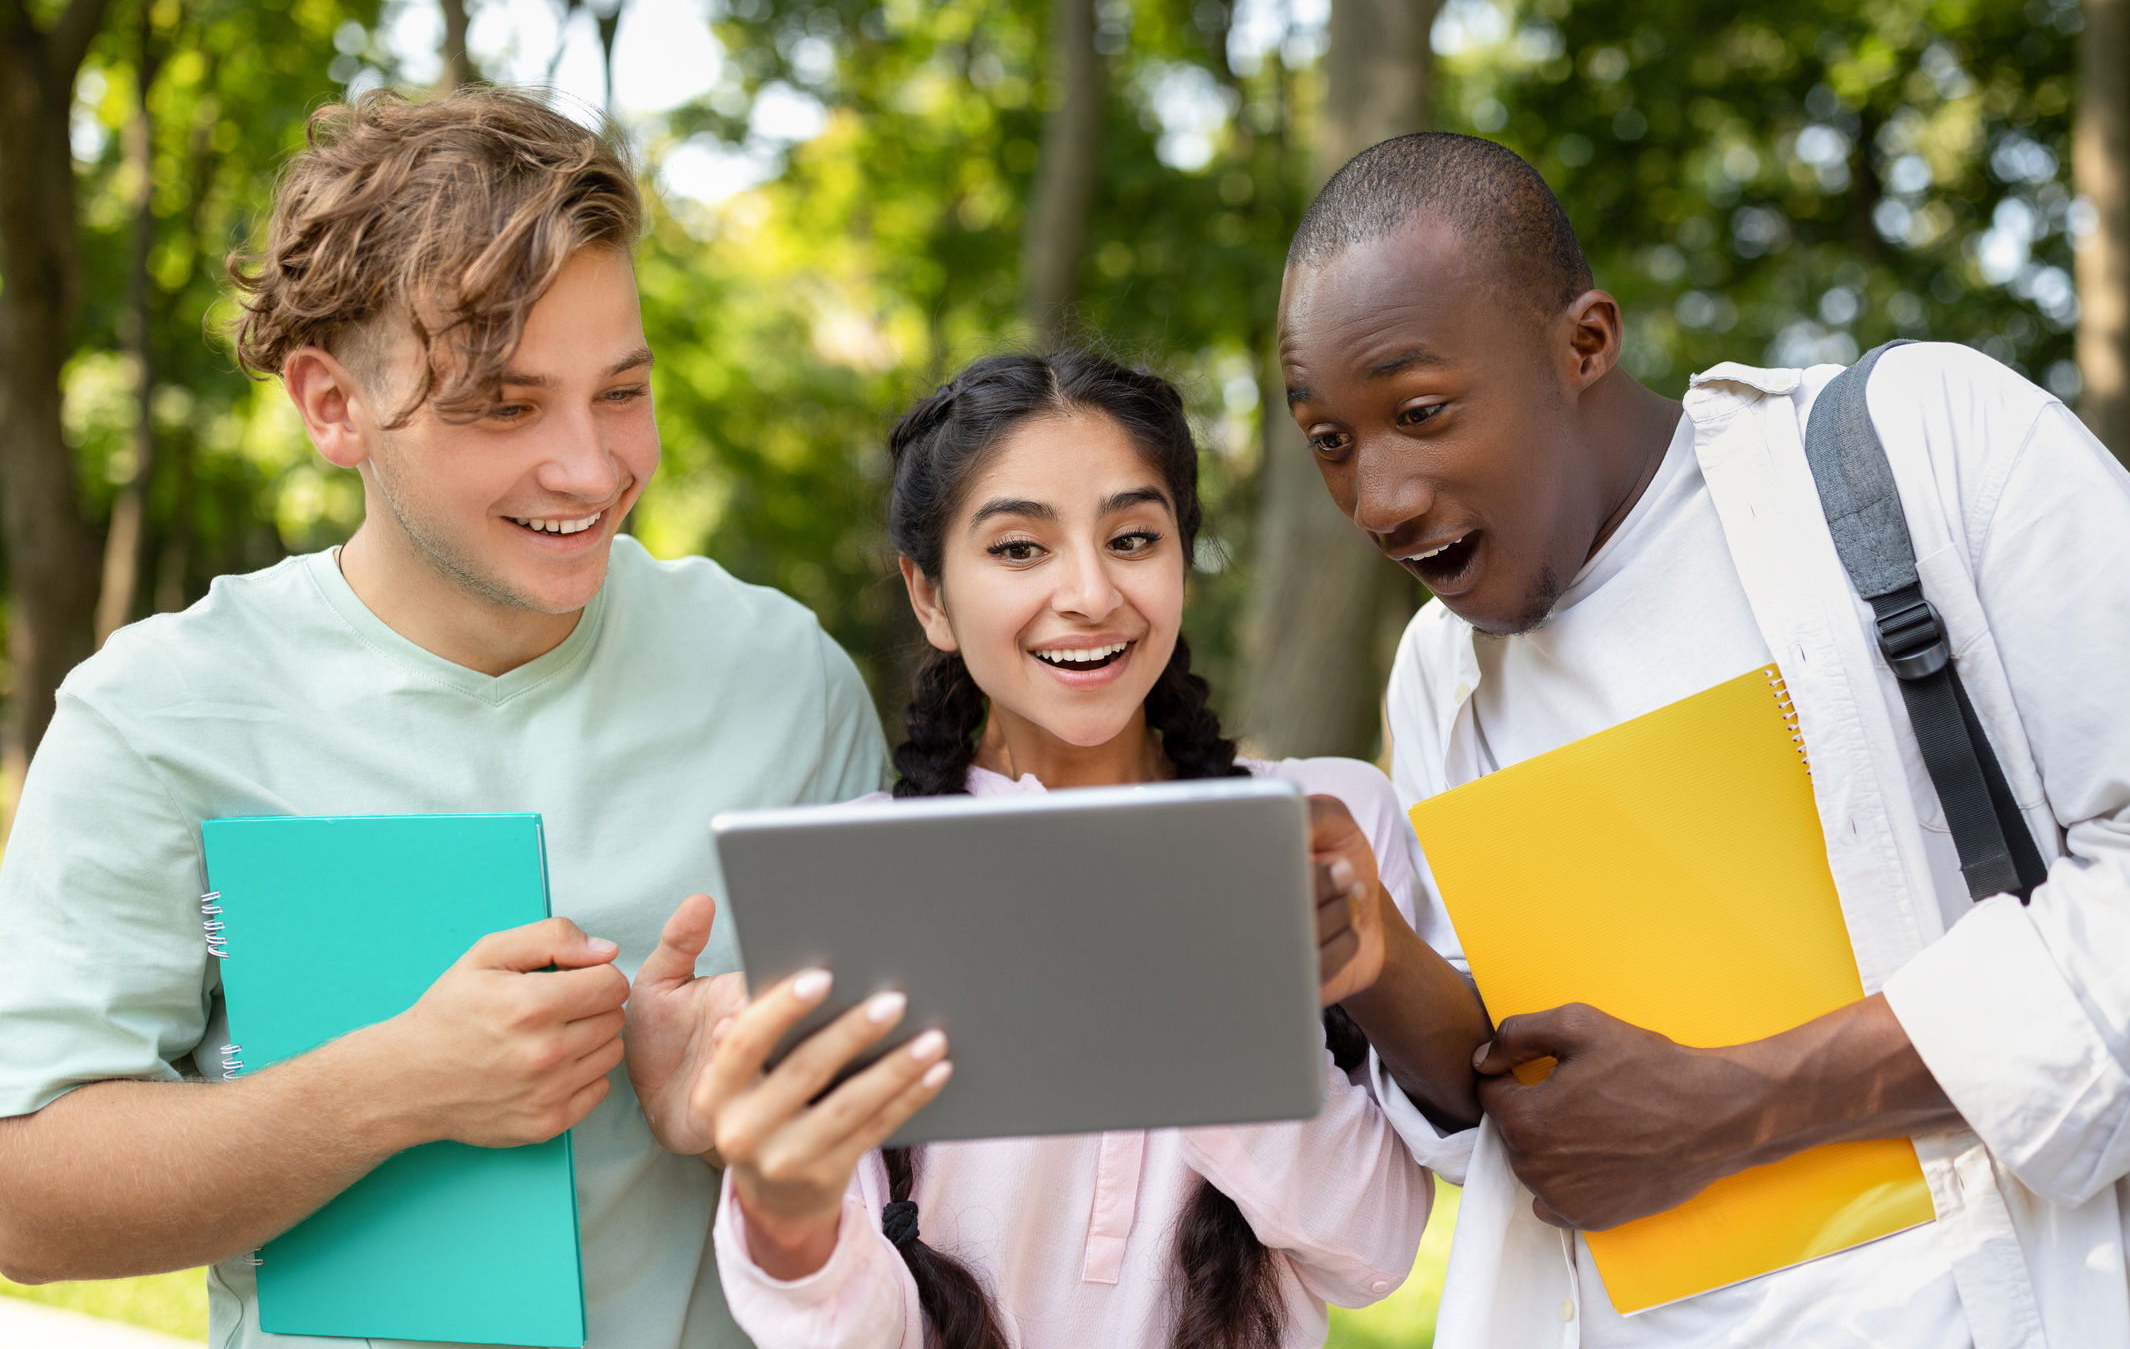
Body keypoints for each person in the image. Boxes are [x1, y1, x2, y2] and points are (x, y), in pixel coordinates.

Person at [0, 88, 885, 1349]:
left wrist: (752, 1115)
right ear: (330, 405)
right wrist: (391, 1086)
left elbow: (912, 1170)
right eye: (504, 406)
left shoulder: (783, 679)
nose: (590, 467)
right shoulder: (156, 718)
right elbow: (23, 1199)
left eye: (621, 390)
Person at [1276, 130, 2130, 1348]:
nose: (1377, 498)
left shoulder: (1916, 448)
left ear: (1581, 342)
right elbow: (1529, 1101)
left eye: (1419, 411)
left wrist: (1740, 1099)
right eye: (1329, 441)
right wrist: (1364, 950)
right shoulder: (1438, 672)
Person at [627, 351, 1460, 1349]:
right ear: (929, 595)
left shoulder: (1323, 827)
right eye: (1019, 548)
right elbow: (857, 1330)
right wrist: (784, 1212)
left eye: (1132, 537)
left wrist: (1204, 1001)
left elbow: (1374, 1248)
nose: (1089, 591)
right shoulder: (860, 876)